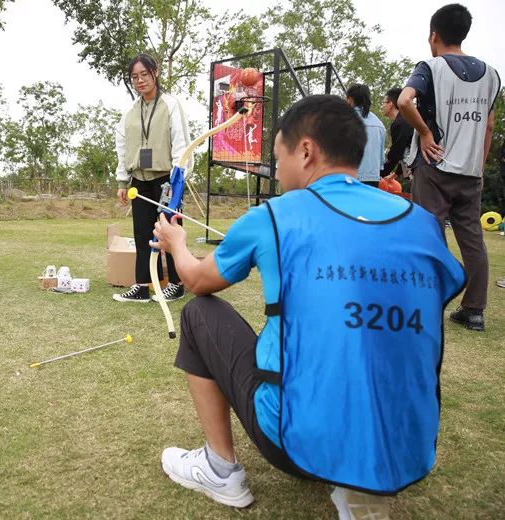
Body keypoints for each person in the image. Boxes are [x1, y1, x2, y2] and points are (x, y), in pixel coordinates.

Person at [151, 95, 466, 519]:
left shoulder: (275, 215)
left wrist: (176, 244)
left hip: (293, 440)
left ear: (305, 151)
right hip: (405, 445)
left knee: (198, 314)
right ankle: (357, 474)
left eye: (277, 157)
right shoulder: (421, 221)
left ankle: (220, 469)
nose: (276, 171)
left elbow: (195, 281)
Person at [398, 3, 500, 331]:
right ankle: (474, 310)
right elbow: (488, 125)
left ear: (434, 35)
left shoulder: (430, 67)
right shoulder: (492, 74)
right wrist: (479, 165)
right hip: (471, 171)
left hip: (435, 165)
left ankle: (429, 303)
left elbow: (404, 100)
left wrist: (425, 132)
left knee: (428, 234)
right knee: (472, 240)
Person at [113, 53, 192, 303]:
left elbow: (181, 144)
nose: (140, 80)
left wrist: (177, 181)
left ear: (155, 73)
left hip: (166, 180)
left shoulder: (170, 104)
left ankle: (177, 284)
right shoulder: (129, 113)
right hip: (139, 181)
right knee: (142, 235)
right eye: (134, 77)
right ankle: (143, 286)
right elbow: (122, 148)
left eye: (144, 74)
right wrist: (122, 181)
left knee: (170, 232)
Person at [346, 84, 385, 187]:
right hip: (373, 178)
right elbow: (381, 159)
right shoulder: (378, 123)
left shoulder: (345, 120)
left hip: (350, 177)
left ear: (351, 99)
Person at [380, 87, 414, 183]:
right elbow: (403, 149)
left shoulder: (400, 123)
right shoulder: (406, 119)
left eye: (383, 103)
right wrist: (396, 173)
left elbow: (396, 152)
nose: (382, 106)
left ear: (390, 104)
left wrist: (380, 173)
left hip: (419, 168)